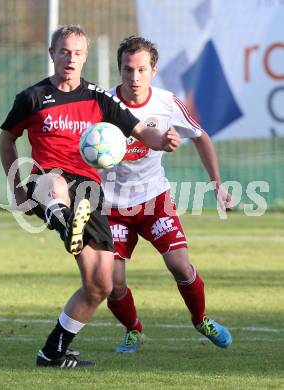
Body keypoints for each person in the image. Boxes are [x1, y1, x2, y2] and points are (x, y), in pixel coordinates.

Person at [0, 26, 180, 368]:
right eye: (64, 51)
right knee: (54, 183)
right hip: (47, 181)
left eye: (77, 52)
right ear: (52, 54)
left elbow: (142, 132)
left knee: (100, 284)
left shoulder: (99, 98)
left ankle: (52, 353)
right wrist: (18, 188)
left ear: (86, 56)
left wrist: (164, 139)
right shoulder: (32, 98)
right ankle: (64, 220)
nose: (70, 58)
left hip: (90, 192)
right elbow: (6, 139)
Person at [99, 36, 233, 353]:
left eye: (141, 69)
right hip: (112, 206)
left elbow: (201, 137)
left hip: (155, 201)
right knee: (112, 283)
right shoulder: (103, 103)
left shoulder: (166, 103)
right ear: (119, 69)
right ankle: (133, 330)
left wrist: (218, 184)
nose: (134, 78)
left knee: (180, 266)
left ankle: (201, 320)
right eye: (127, 70)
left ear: (153, 70)